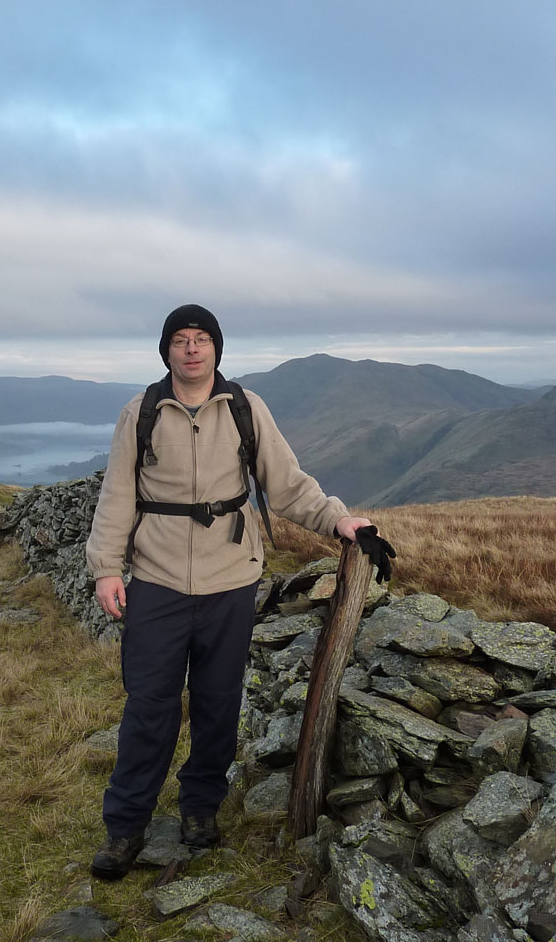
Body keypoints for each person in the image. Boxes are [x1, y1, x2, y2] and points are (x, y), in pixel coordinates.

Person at [85, 304, 380, 880]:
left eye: (202, 340)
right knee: (149, 708)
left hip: (230, 581)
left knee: (219, 704)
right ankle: (125, 829)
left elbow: (287, 484)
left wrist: (339, 521)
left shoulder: (245, 409)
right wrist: (106, 568)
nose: (192, 349)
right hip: (157, 579)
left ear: (216, 350)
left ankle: (200, 811)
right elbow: (116, 495)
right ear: (166, 351)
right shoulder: (140, 413)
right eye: (180, 340)